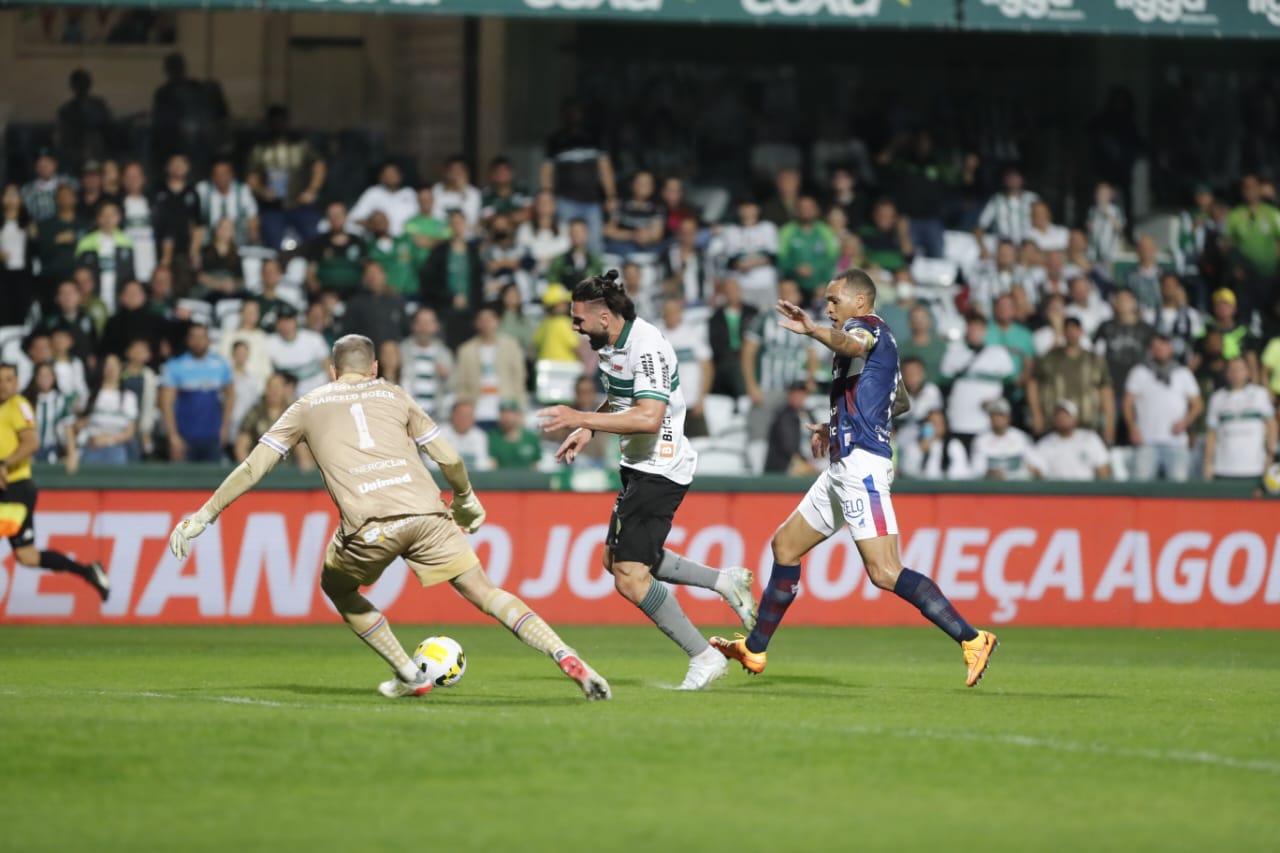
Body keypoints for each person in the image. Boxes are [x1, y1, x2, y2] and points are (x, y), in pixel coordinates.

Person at [168, 334, 610, 700]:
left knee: (336, 586)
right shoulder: (395, 394)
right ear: (376, 367)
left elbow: (253, 467)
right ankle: (567, 656)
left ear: (332, 370)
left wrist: (203, 516)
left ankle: (407, 671)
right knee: (486, 593)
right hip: (427, 515)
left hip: (371, 527)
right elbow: (449, 456)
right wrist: (467, 497)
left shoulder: (307, 404)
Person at [707, 269, 997, 687]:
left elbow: (851, 343)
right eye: (825, 303)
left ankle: (973, 638)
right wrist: (838, 423)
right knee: (785, 546)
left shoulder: (865, 328)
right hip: (843, 463)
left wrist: (811, 332)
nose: (827, 309)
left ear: (860, 302)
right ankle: (755, 648)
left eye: (833, 301)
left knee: (884, 571)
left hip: (862, 466)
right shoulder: (876, 344)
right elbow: (899, 400)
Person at [540, 270, 758, 690]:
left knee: (629, 574)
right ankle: (723, 581)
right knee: (615, 561)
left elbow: (650, 416)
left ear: (605, 317)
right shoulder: (612, 343)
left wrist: (579, 415)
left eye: (579, 320)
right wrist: (590, 428)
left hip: (660, 468)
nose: (574, 327)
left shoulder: (647, 346)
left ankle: (704, 656)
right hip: (639, 465)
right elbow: (626, 397)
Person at [0, 362, 109, 600]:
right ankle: (88, 571)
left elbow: (31, 443)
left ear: (17, 383)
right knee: (27, 557)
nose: (3, 385)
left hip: (15, 489)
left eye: (9, 379)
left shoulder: (19, 406)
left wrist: (4, 464)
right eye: (0, 379)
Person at [1123, 333, 1203, 482]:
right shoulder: (1140, 372)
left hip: (1176, 442)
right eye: (1156, 347)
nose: (1160, 350)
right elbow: (1127, 403)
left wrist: (1185, 422)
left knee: (1179, 489)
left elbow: (1197, 404)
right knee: (1141, 488)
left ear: (1170, 349)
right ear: (1150, 350)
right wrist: (1132, 428)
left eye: (1163, 347)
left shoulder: (1183, 373)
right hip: (1146, 440)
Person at [541, 99, 616, 253]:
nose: (574, 115)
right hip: (565, 201)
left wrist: (611, 195)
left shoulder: (594, 137)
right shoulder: (556, 140)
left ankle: (595, 277)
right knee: (566, 243)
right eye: (570, 112)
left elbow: (605, 168)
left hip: (592, 202)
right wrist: (547, 195)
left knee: (594, 244)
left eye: (577, 112)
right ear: (564, 115)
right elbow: (546, 171)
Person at [247, 105, 325, 250]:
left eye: (281, 121)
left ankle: (310, 270)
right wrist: (262, 191)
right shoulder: (260, 148)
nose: (278, 125)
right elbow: (252, 176)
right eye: (274, 121)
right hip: (273, 207)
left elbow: (319, 166)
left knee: (313, 241)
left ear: (287, 122)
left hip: (300, 204)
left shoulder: (301, 145)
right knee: (271, 244)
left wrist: (312, 190)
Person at [158, 323, 233, 462]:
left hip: (213, 436)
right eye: (194, 337)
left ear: (208, 340)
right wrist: (173, 436)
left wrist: (225, 427)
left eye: (202, 337)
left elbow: (231, 395)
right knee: (182, 482)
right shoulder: (175, 366)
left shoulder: (221, 365)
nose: (198, 341)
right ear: (188, 340)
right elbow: (166, 403)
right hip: (184, 437)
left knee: (214, 482)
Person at [1203, 358, 1277, 481]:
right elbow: (1212, 434)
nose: (1235, 374)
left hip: (1255, 468)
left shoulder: (1260, 394)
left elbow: (1272, 425)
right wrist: (1208, 463)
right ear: (1227, 373)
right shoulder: (1217, 398)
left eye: (1239, 370)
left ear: (1247, 372)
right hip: (1224, 468)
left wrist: (1270, 454)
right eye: (1231, 370)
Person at [454, 304, 527, 428]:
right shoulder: (465, 350)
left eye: (489, 319)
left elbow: (519, 379)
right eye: (482, 320)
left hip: (505, 408)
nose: (486, 323)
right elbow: (461, 384)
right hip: (477, 410)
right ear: (476, 323)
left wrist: (520, 408)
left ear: (497, 321)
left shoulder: (511, 346)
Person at [70, 354, 138, 466]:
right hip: (90, 446)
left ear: (120, 369)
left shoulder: (129, 397)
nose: (111, 369)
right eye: (107, 365)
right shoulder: (88, 395)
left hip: (117, 447)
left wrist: (108, 440)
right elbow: (76, 424)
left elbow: (129, 432)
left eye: (114, 366)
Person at [398, 307, 453, 422]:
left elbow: (454, 388)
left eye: (428, 323)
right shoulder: (401, 351)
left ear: (436, 326)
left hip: (437, 419)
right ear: (413, 325)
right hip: (407, 417)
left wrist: (447, 377)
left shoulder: (445, 354)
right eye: (420, 322)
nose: (424, 327)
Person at [1035, 400, 1112, 481]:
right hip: (1056, 491)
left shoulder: (1090, 439)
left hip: (1086, 490)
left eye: (1066, 415)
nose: (1062, 418)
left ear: (1075, 418)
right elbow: (1035, 470)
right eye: (1059, 415)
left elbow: (1103, 470)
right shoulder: (1045, 443)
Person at [266, 304, 330, 396]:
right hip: (290, 399)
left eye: (289, 320)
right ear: (276, 324)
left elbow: (328, 368)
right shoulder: (270, 343)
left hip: (320, 393)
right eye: (281, 321)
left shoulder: (314, 338)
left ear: (295, 321)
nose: (285, 324)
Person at [970, 397, 1041, 480]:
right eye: (993, 415)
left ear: (1008, 418)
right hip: (991, 488)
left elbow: (1039, 465)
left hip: (1018, 486)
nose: (996, 419)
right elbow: (976, 469)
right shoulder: (981, 440)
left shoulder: (1021, 437)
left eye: (1000, 415)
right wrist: (989, 473)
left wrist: (1034, 470)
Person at [348, 161, 417, 236]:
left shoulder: (409, 193)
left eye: (394, 173)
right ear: (381, 177)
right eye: (388, 173)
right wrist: (374, 226)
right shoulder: (373, 193)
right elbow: (354, 219)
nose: (391, 176)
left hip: (407, 241)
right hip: (378, 241)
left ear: (400, 176)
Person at [489, 399, 542, 470]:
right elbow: (492, 466)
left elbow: (535, 466)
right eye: (503, 413)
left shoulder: (532, 438)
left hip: (527, 480)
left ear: (518, 415)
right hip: (502, 480)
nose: (506, 417)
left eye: (510, 413)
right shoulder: (492, 437)